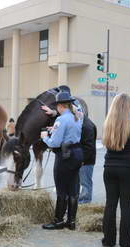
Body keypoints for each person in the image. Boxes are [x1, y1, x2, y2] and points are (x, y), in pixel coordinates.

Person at [101, 93, 130, 247]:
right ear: (127, 108)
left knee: (110, 204)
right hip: (127, 169)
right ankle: (125, 241)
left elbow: (106, 143)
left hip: (109, 168)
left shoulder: (108, 124)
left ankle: (108, 240)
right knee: (126, 206)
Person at [41, 90, 83, 230]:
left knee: (61, 190)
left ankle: (58, 220)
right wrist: (55, 129)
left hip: (64, 156)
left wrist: (45, 137)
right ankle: (71, 221)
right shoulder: (77, 116)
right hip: (77, 154)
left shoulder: (61, 119)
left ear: (60, 106)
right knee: (73, 189)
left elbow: (55, 143)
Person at [79, 116, 97, 204]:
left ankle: (85, 202)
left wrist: (82, 160)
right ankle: (82, 201)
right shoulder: (84, 123)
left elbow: (89, 147)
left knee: (85, 183)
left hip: (86, 161)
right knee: (83, 182)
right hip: (85, 159)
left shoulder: (87, 126)